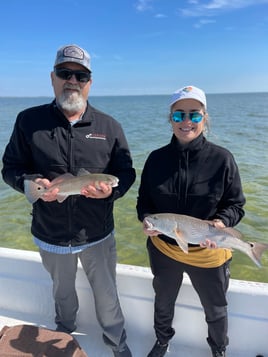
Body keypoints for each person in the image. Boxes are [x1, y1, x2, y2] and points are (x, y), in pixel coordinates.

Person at [2, 44, 136, 357]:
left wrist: (112, 191)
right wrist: (31, 184)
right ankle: (63, 338)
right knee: (62, 294)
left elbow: (126, 172)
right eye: (65, 73)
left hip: (97, 234)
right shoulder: (28, 121)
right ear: (53, 78)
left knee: (107, 296)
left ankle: (117, 345)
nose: (72, 80)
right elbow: (10, 168)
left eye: (81, 75)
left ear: (90, 82)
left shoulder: (109, 126)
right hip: (50, 233)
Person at [136, 85, 245, 357]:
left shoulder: (222, 159)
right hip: (165, 249)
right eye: (179, 115)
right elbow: (144, 203)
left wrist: (221, 221)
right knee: (163, 302)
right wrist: (146, 222)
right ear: (170, 118)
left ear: (204, 118)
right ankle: (162, 341)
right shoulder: (156, 159)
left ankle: (218, 350)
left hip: (209, 251)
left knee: (216, 308)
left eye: (194, 115)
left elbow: (236, 204)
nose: (186, 122)